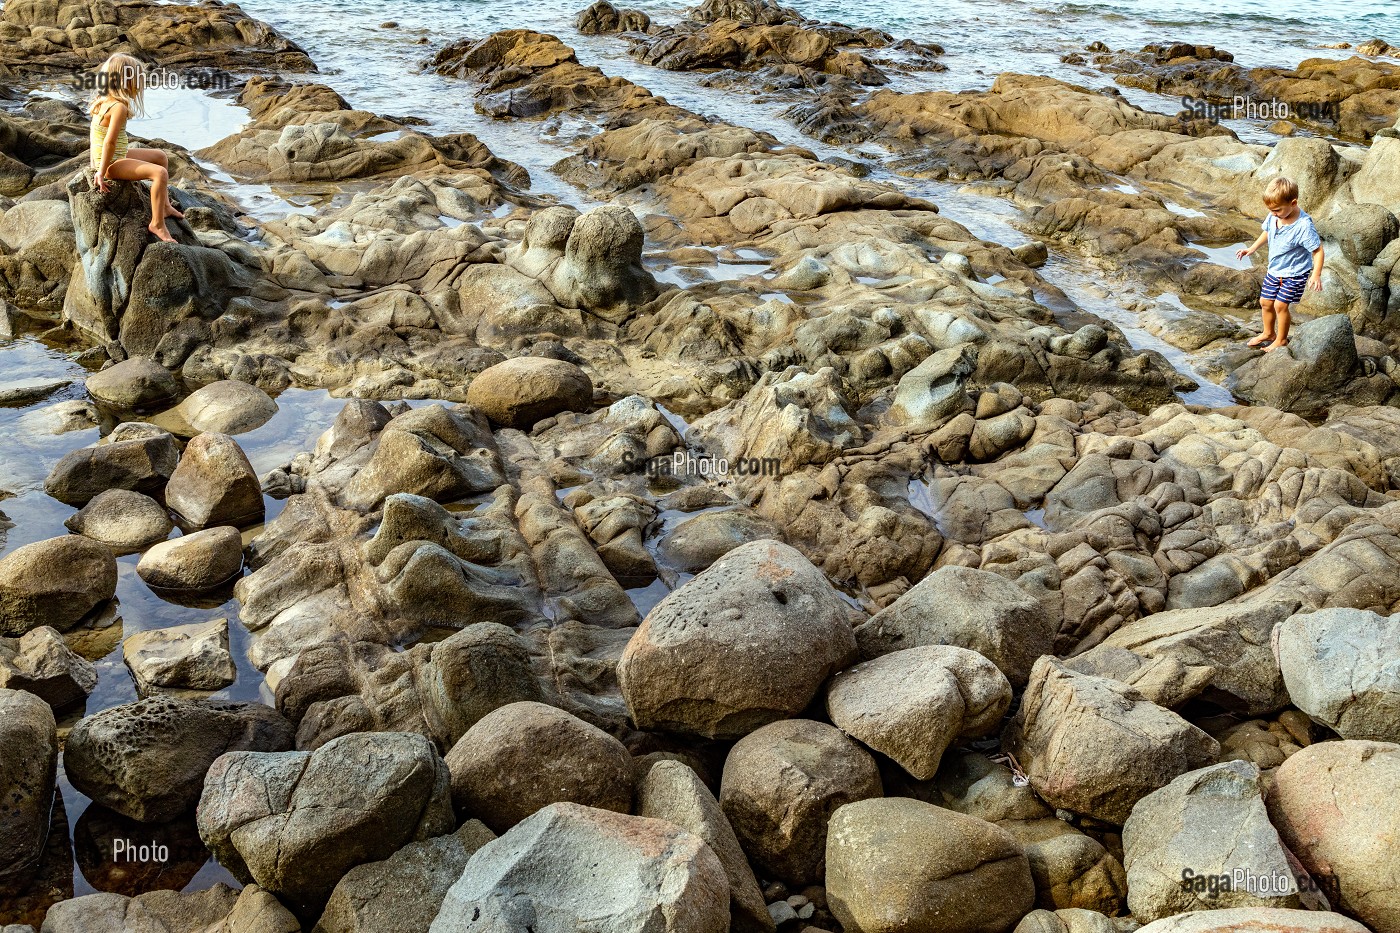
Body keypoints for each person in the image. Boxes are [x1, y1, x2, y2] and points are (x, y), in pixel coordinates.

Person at [89, 53, 183, 243]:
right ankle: (156, 224)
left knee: (160, 157)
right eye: (138, 80)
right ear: (127, 81)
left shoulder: (103, 99)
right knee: (160, 174)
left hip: (114, 156)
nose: (141, 86)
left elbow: (95, 139)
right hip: (111, 164)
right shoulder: (118, 108)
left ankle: (164, 207)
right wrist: (100, 171)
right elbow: (109, 142)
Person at [1235, 176, 1324, 353]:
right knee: (1265, 302)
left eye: (1277, 210)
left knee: (1280, 305)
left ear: (1293, 202)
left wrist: (1316, 274)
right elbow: (1267, 232)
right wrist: (1252, 248)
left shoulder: (1303, 226)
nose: (1273, 213)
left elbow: (1318, 250)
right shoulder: (1274, 216)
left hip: (1295, 273)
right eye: (1271, 210)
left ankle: (1281, 340)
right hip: (1275, 270)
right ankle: (1268, 333)